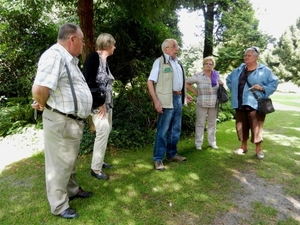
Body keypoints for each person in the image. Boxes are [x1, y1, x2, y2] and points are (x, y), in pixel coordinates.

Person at [31, 23, 93, 219]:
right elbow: (40, 90)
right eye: (82, 40)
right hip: (61, 120)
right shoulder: (54, 56)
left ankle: (72, 190)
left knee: (69, 161)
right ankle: (59, 205)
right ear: (72, 39)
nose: (83, 44)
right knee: (59, 164)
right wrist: (43, 104)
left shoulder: (69, 60)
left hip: (71, 121)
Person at [147, 38, 193, 171]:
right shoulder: (159, 62)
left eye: (177, 46)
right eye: (174, 46)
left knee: (176, 129)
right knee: (163, 129)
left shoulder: (178, 64)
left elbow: (179, 83)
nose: (177, 48)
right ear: (166, 49)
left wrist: (185, 95)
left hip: (178, 98)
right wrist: (156, 101)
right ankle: (158, 158)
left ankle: (172, 154)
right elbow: (150, 82)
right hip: (166, 99)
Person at [226, 46, 278, 159]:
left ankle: (259, 150)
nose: (246, 57)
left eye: (248, 55)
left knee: (256, 127)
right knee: (241, 126)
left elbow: (274, 83)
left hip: (255, 104)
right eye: (245, 55)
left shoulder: (264, 71)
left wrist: (263, 88)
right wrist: (234, 90)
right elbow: (228, 80)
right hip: (239, 102)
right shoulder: (238, 70)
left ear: (256, 57)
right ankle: (243, 147)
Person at [82, 33, 116, 180]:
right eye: (113, 44)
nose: (114, 47)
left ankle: (100, 161)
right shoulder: (93, 58)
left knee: (105, 131)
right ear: (107, 45)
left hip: (107, 104)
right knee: (103, 129)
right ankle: (95, 169)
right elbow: (87, 83)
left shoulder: (105, 61)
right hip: (97, 104)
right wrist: (99, 102)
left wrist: (105, 103)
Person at [186, 56, 222, 150]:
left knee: (212, 123)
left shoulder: (216, 75)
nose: (208, 65)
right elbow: (186, 83)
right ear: (203, 65)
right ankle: (198, 144)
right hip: (201, 102)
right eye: (206, 63)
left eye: (211, 64)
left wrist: (221, 83)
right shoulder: (198, 75)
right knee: (200, 123)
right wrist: (195, 92)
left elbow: (221, 86)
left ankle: (212, 142)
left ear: (213, 65)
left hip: (214, 102)